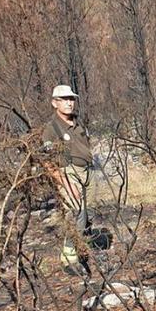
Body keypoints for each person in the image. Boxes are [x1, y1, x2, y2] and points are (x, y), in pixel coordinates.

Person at [40, 84, 95, 275]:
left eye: (71, 99)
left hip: (85, 172)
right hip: (67, 173)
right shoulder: (52, 129)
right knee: (76, 212)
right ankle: (69, 258)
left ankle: (80, 250)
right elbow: (47, 162)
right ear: (55, 103)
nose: (69, 103)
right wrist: (65, 182)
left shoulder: (78, 124)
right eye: (64, 99)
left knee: (86, 215)